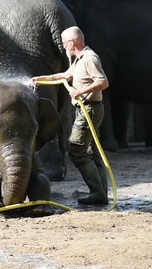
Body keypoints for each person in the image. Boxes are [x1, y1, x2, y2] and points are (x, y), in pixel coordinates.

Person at [31, 26, 109, 205]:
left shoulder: (90, 58)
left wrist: (81, 91)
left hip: (89, 109)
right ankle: (101, 194)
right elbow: (65, 76)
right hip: (86, 109)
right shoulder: (79, 60)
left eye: (65, 42)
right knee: (92, 152)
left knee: (75, 150)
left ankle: (97, 193)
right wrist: (40, 79)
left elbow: (103, 82)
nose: (64, 46)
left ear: (72, 42)